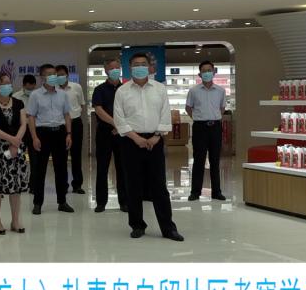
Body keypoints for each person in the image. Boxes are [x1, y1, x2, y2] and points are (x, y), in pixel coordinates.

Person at [114, 53, 185, 242]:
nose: (140, 67)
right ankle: (137, 225)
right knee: (133, 185)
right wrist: (135, 138)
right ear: (130, 68)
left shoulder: (159, 89)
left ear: (149, 67)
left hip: (155, 140)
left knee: (159, 186)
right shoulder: (122, 91)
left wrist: (156, 136)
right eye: (136, 64)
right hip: (130, 141)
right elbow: (119, 118)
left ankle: (168, 228)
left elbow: (165, 114)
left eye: (143, 64)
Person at [0, 73, 29, 235]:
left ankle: (15, 220)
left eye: (9, 83)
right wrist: (11, 140)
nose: (7, 86)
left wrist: (16, 142)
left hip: (17, 147)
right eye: (3, 83)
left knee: (15, 186)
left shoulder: (18, 103)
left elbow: (23, 124)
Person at [27, 64, 74, 215]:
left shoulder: (63, 94)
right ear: (42, 77)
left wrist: (69, 134)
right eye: (49, 74)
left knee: (61, 169)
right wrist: (34, 137)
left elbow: (67, 114)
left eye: (54, 73)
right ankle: (37, 203)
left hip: (60, 132)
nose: (53, 76)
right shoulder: (35, 95)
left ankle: (62, 201)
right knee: (39, 170)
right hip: (42, 133)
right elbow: (31, 117)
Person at [186, 60, 227, 201]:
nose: (207, 73)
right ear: (200, 74)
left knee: (215, 160)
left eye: (209, 70)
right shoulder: (193, 91)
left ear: (214, 72)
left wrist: (214, 118)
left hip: (215, 127)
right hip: (200, 128)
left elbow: (222, 108)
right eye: (204, 71)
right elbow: (188, 108)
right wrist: (198, 119)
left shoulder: (221, 91)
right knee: (199, 160)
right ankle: (195, 192)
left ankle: (217, 192)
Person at [92, 58, 127, 213]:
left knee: (123, 168)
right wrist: (115, 124)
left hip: (124, 133)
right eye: (112, 68)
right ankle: (101, 202)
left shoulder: (126, 89)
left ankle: (124, 202)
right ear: (106, 70)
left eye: (117, 68)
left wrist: (121, 126)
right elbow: (98, 110)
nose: (115, 71)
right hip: (104, 133)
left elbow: (131, 110)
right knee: (102, 168)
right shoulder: (99, 89)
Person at [56, 64, 86, 194]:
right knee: (61, 156)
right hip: (60, 125)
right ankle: (63, 184)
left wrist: (74, 116)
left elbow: (81, 105)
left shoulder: (76, 87)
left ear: (67, 75)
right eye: (57, 75)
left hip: (76, 123)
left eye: (62, 74)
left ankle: (77, 184)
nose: (60, 77)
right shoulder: (54, 89)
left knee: (76, 155)